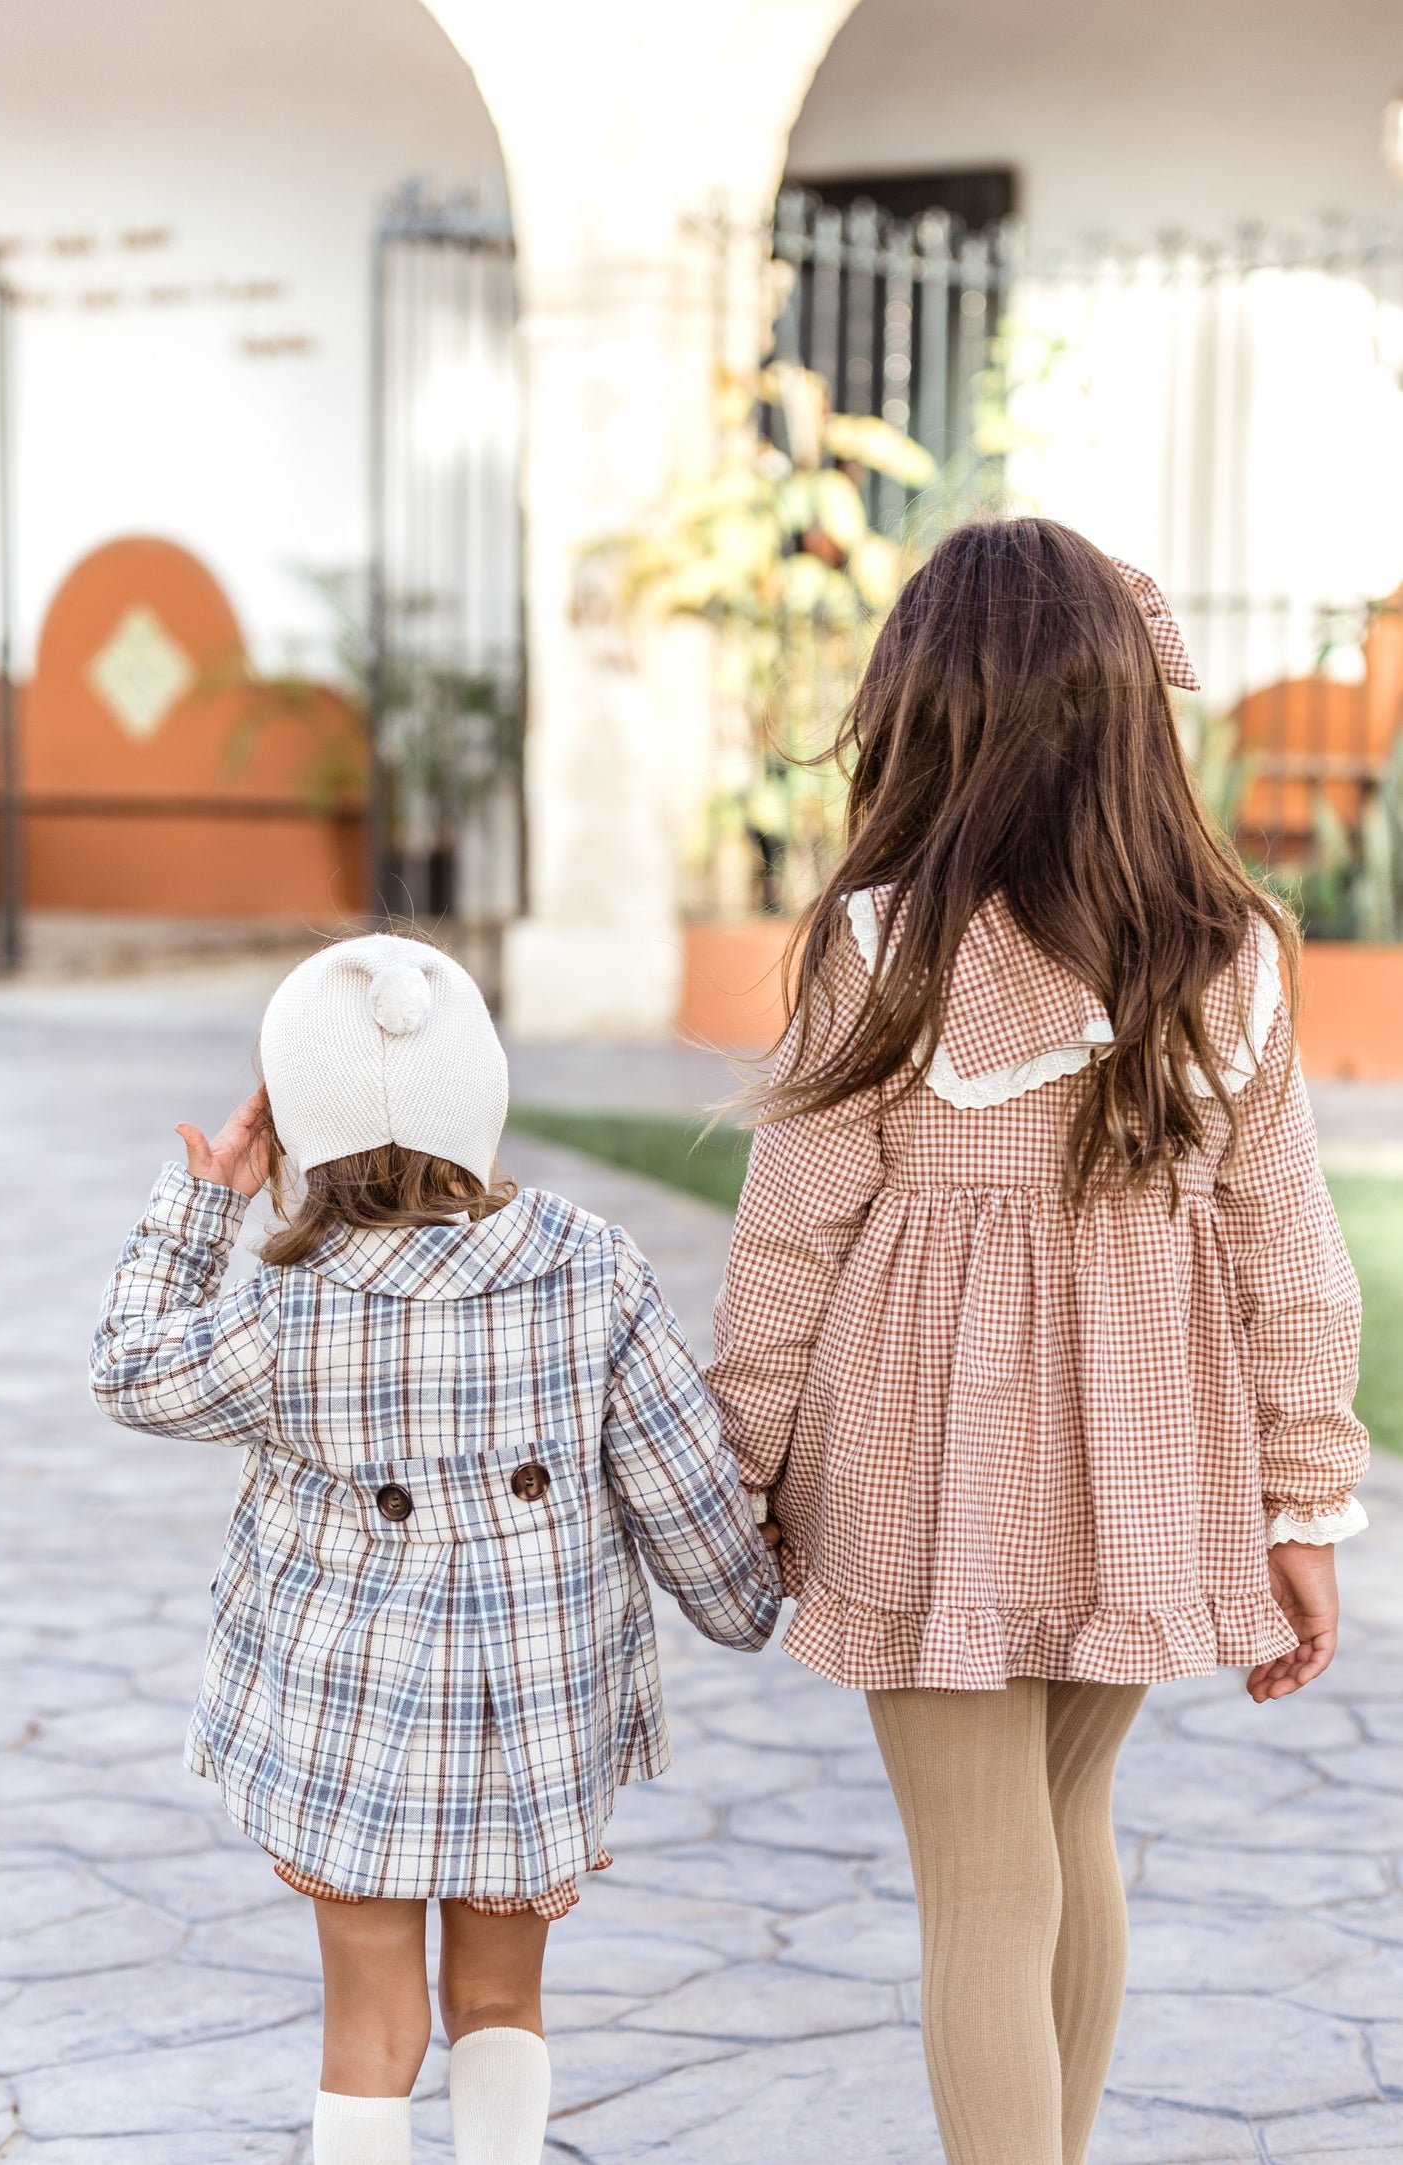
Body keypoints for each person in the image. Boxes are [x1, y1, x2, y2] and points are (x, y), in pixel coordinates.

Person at [706, 518, 1368, 2165]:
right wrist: (1299, 1503)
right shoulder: (1232, 954)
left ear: (925, 716)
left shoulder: (883, 942)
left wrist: (737, 1466)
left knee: (985, 1888)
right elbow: (1292, 1252)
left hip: (930, 1468)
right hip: (1145, 1462)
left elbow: (794, 1241)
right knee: (1072, 1826)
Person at [91, 933, 779, 2165]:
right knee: (504, 2001)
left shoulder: (282, 1303)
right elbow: (681, 1478)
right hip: (533, 1712)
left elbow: (130, 1368)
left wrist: (205, 1201)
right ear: (486, 1092)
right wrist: (741, 1596)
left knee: (366, 2022)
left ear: (295, 1117)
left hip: (350, 1723)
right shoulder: (587, 1265)